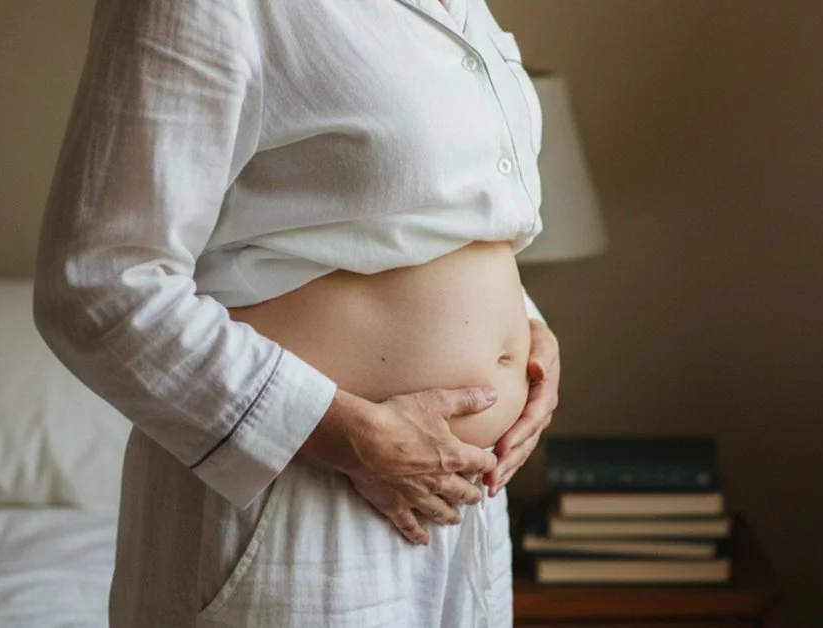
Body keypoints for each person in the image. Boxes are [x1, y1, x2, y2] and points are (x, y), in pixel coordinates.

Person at [32, 0, 561, 626]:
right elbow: (99, 283)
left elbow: (436, 220)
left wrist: (526, 333)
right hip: (297, 497)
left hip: (463, 503)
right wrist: (345, 435)